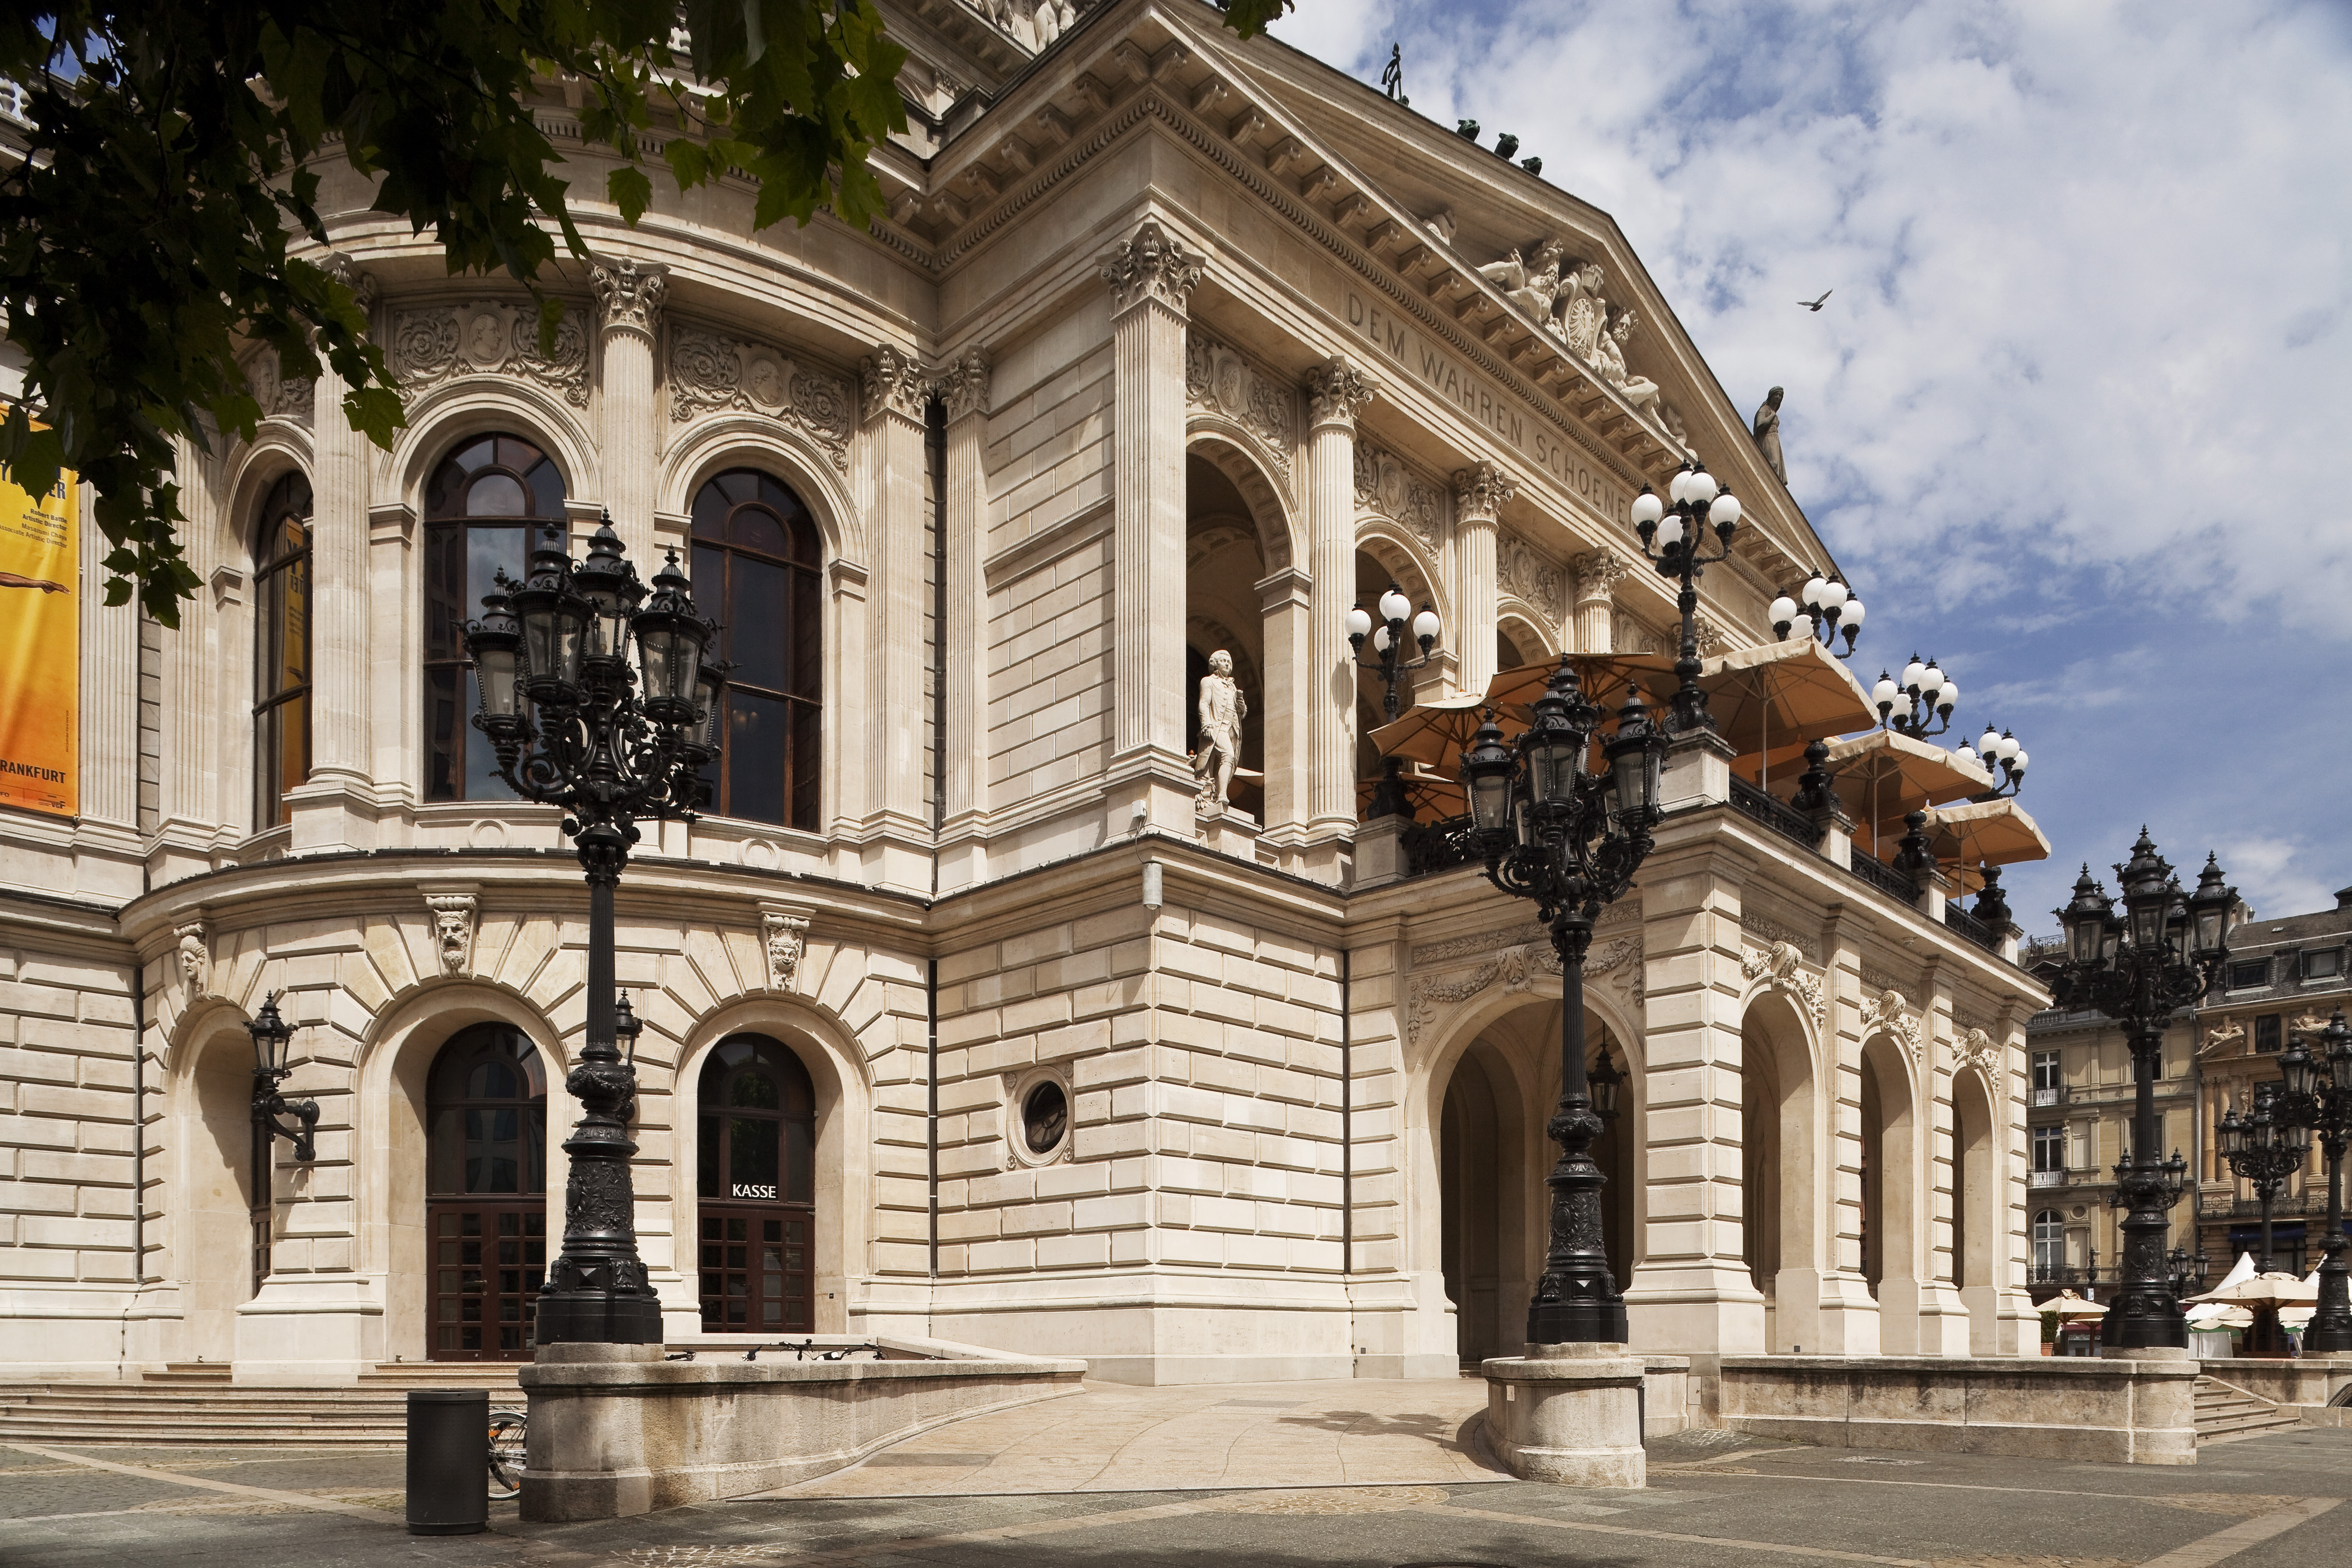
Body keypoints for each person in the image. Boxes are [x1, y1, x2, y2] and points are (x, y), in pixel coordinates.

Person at [1192, 649, 1246, 814]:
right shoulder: (1208, 682)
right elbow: (1204, 704)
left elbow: (1242, 714)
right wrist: (1206, 724)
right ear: (1215, 664)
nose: (1228, 664)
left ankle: (1217, 792)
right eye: (1224, 661)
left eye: (1230, 662)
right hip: (1217, 728)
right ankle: (1222, 794)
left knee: (1228, 760)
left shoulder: (1232, 687)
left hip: (1232, 730)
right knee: (1228, 755)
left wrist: (1241, 703)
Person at [1753, 386, 1787, 483]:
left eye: (1780, 396)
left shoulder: (1774, 413)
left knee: (1776, 467)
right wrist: (1772, 416)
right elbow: (1760, 424)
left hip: (1775, 439)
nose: (1778, 397)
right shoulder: (1765, 409)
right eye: (1776, 395)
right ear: (1771, 397)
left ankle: (1775, 485)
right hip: (1767, 437)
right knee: (1773, 463)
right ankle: (1767, 483)